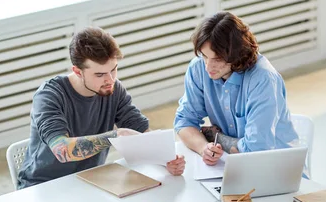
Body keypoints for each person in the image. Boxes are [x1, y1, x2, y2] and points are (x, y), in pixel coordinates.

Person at [18, 27, 185, 188]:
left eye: (113, 70)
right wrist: (116, 135)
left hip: (91, 181)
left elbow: (141, 131)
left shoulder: (113, 89)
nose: (110, 79)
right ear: (77, 71)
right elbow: (62, 150)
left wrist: (166, 161)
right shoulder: (49, 96)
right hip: (43, 186)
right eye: (99, 74)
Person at [174, 12, 298, 166]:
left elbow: (255, 151)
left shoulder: (263, 79)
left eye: (217, 59)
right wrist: (203, 147)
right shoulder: (198, 68)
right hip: (232, 163)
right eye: (205, 56)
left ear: (237, 54)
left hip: (276, 168)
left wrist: (216, 137)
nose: (208, 67)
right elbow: (184, 122)